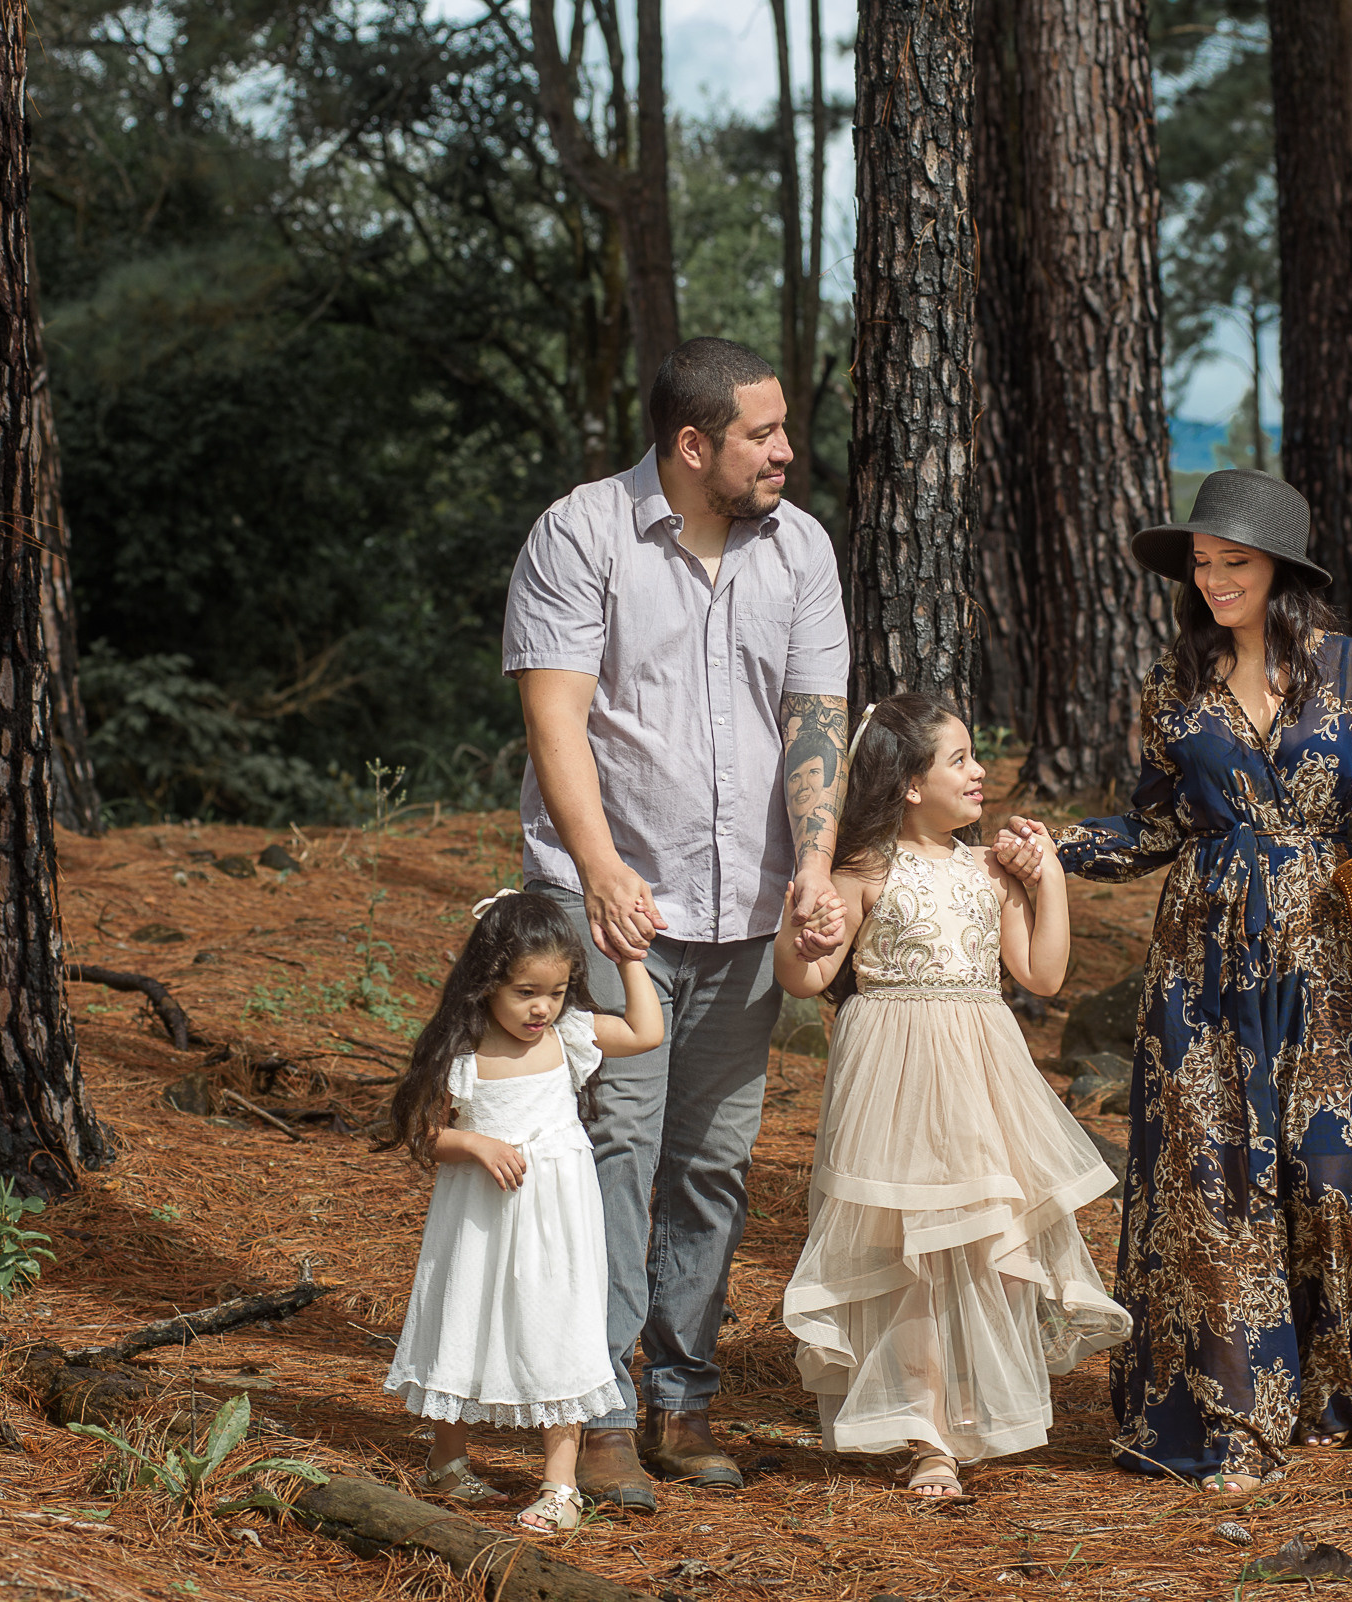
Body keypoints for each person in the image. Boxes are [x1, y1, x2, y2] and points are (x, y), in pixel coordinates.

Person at [1015, 468, 1352, 1491]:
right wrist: (1056, 847)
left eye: (1236, 565)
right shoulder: (1172, 686)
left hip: (1325, 958)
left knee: (1335, 1171)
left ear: (1281, 573)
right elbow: (1157, 823)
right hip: (1202, 961)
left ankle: (1342, 1396)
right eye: (1205, 566)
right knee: (1212, 1184)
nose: (1215, 581)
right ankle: (1228, 1422)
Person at [503, 337, 852, 1512]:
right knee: (615, 1152)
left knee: (711, 1162)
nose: (787, 452)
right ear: (694, 444)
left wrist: (813, 866)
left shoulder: (799, 546)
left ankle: (682, 1395)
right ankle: (598, 1403)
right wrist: (598, 873)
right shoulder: (582, 533)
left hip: (748, 911)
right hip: (615, 913)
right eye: (764, 434)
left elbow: (815, 717)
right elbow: (556, 724)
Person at [774, 695, 1130, 1503]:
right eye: (960, 760)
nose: (980, 774)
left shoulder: (986, 871)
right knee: (913, 1258)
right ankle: (925, 1433)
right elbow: (805, 980)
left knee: (985, 1246)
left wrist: (1053, 883)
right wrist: (802, 934)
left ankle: (972, 1414)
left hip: (981, 1072)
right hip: (893, 1076)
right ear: (907, 784)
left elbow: (1041, 976)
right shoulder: (860, 872)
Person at [374, 890, 666, 1535]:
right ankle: (446, 1460)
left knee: (558, 1328)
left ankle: (560, 1487)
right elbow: (425, 1135)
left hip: (558, 1219)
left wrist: (630, 959)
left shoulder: (569, 1035)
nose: (542, 1008)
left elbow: (648, 1031)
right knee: (466, 1317)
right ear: (486, 985)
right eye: (526, 992)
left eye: (557, 991)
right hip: (481, 1215)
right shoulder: (463, 1050)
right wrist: (475, 1143)